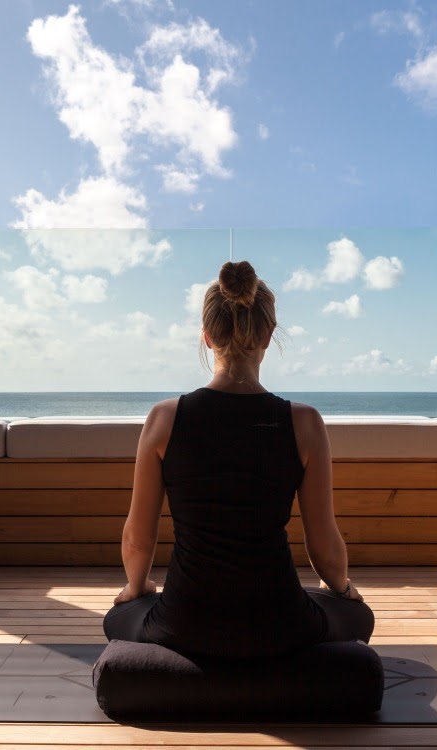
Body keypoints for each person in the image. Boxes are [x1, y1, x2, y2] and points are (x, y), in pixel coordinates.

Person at [102, 260, 374, 659]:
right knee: (358, 617)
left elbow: (137, 541)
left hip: (183, 622)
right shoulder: (305, 423)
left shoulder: (164, 418)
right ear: (268, 335)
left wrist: (135, 589)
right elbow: (325, 553)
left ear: (207, 337)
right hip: (280, 624)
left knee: (118, 616)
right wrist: (344, 591)